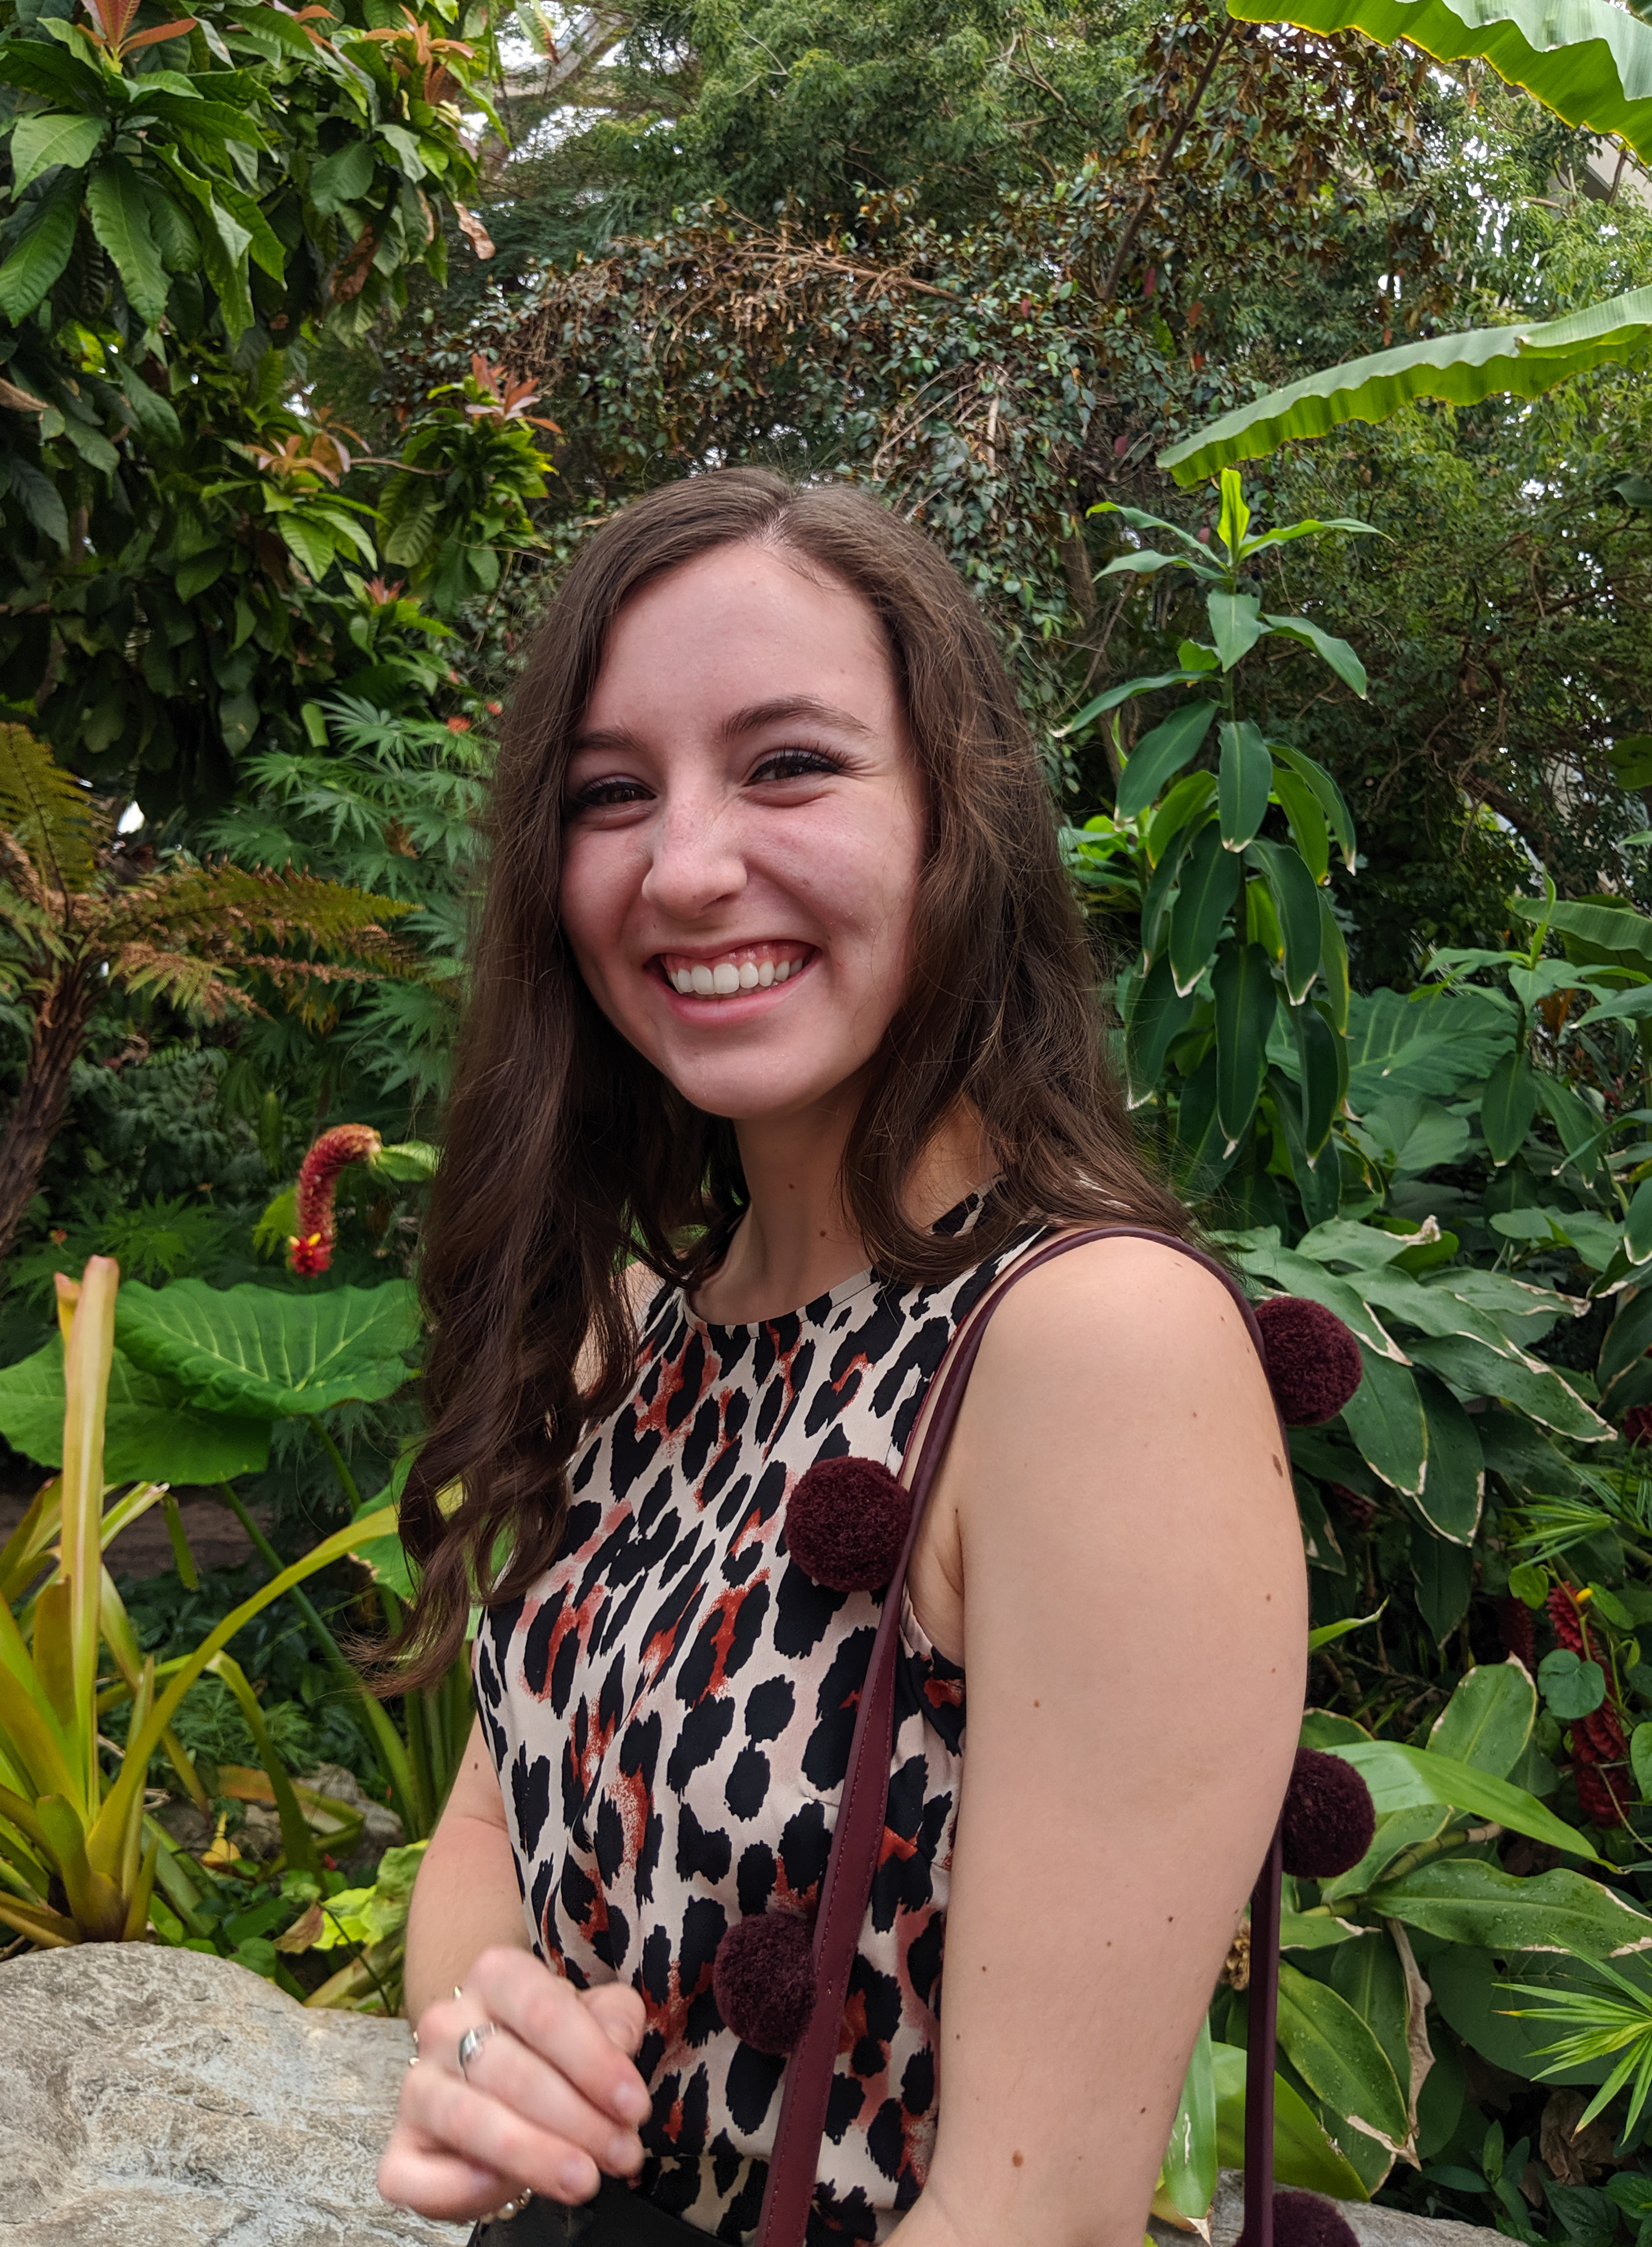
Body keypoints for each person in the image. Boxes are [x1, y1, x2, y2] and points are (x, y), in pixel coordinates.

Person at [374, 468, 1307, 2245]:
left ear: (958, 817)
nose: (688, 864)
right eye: (610, 795)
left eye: (789, 764)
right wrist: (498, 2039)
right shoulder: (644, 1346)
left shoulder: (1088, 1348)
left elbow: (1037, 2216)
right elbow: (493, 1837)